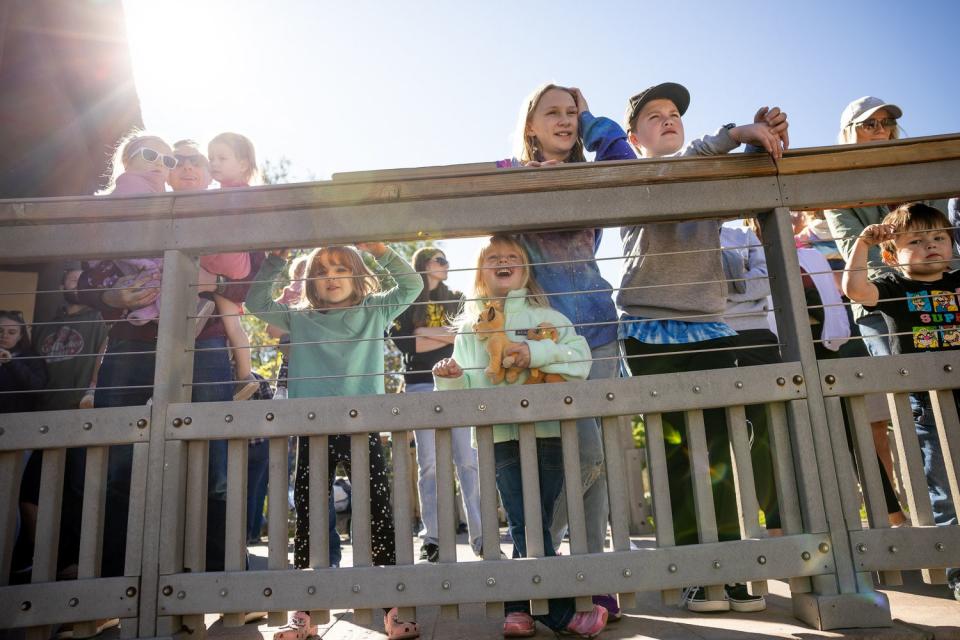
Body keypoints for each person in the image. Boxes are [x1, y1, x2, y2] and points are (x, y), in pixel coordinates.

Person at [577, 81, 787, 613]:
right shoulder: (633, 173)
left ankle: (731, 566)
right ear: (634, 136)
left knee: (721, 446)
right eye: (655, 116)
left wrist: (762, 137)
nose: (669, 119)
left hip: (710, 327)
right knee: (678, 451)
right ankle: (696, 569)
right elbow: (624, 145)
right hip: (652, 331)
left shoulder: (707, 172)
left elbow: (737, 165)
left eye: (675, 114)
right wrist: (736, 131)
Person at [79, 132, 252, 577]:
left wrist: (215, 285)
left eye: (190, 159)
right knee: (117, 456)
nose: (180, 165)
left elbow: (253, 273)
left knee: (213, 456)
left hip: (204, 340)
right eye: (166, 160)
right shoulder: (126, 209)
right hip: (132, 344)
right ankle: (113, 580)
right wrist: (112, 296)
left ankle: (222, 572)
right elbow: (82, 278)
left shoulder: (215, 210)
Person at [245, 242, 423, 640]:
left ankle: (392, 609)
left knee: (378, 512)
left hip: (363, 430)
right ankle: (305, 612)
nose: (332, 277)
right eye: (323, 271)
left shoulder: (374, 310)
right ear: (311, 281)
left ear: (359, 275)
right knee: (310, 514)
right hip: (315, 430)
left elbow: (410, 284)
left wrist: (380, 250)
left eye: (342, 268)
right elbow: (256, 302)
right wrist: (277, 260)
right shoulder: (301, 319)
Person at [433, 234, 607, 639]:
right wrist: (451, 379)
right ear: (481, 272)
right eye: (493, 257)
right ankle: (558, 614)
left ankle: (518, 610)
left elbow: (580, 360)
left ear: (525, 270)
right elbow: (467, 389)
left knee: (535, 522)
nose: (503, 261)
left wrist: (537, 354)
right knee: (524, 520)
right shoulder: (471, 329)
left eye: (512, 256)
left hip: (548, 434)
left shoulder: (550, 318)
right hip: (499, 438)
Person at [504, 84, 621, 618]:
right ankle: (540, 574)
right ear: (530, 124)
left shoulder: (594, 173)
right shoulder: (509, 171)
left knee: (596, 460)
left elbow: (626, 163)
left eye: (572, 113)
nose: (566, 120)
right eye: (552, 112)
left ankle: (595, 584)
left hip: (597, 331)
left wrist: (596, 119)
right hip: (544, 341)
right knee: (555, 458)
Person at [842, 202, 960, 600]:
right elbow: (856, 290)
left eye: (939, 237)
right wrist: (863, 244)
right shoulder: (895, 288)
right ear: (891, 254)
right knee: (944, 482)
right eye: (916, 240)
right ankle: (959, 567)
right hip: (926, 405)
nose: (931, 246)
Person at [390, 247, 483, 562]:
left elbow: (465, 335)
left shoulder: (457, 298)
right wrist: (437, 335)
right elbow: (405, 343)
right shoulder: (406, 302)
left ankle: (482, 536)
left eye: (446, 259)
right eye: (439, 260)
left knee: (468, 461)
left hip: (456, 384)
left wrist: (423, 332)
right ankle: (433, 538)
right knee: (428, 465)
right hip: (418, 385)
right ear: (424, 266)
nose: (446, 265)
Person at [204, 133, 260, 399]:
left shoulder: (237, 194)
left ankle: (245, 376)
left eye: (222, 158)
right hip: (231, 264)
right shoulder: (235, 194)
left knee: (231, 322)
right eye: (211, 158)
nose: (214, 163)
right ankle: (244, 374)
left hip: (224, 262)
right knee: (231, 323)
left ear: (243, 164)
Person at [0, 310, 48, 414]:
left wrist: (11, 363)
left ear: (20, 336)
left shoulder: (32, 358)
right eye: (0, 330)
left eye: (11, 332)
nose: (4, 336)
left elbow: (38, 388)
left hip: (18, 419)